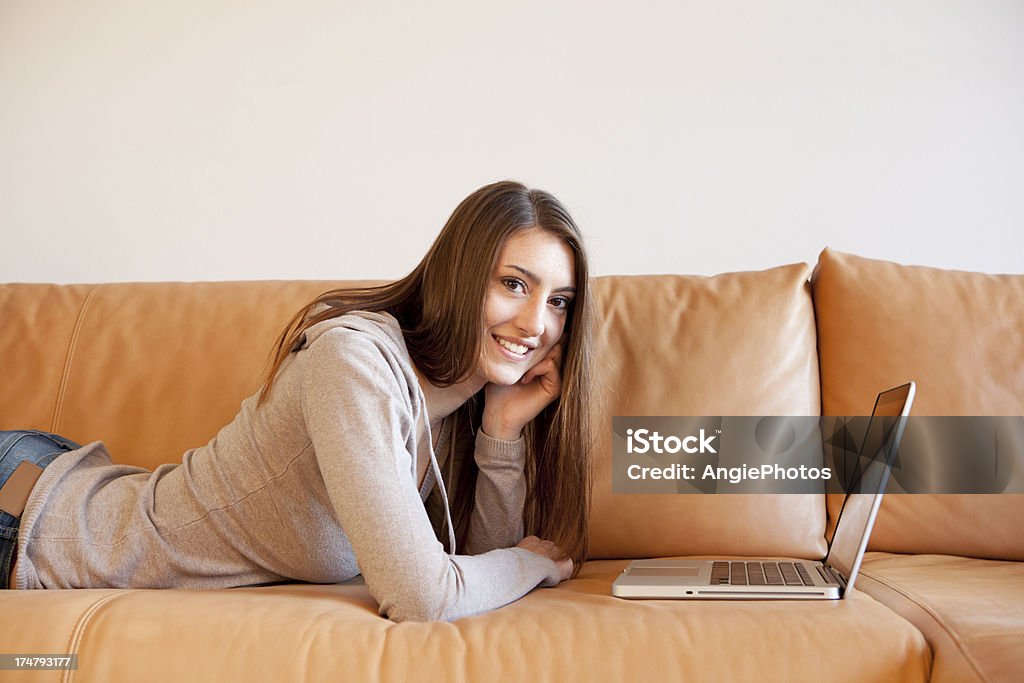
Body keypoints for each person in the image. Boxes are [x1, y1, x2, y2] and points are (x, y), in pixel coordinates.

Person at [0, 180, 596, 622]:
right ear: (462, 276)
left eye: (559, 301)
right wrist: (534, 562)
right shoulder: (355, 365)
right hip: (33, 523)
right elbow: (423, 595)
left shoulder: (451, 409)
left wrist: (500, 433)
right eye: (514, 284)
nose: (535, 323)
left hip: (63, 479)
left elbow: (478, 568)